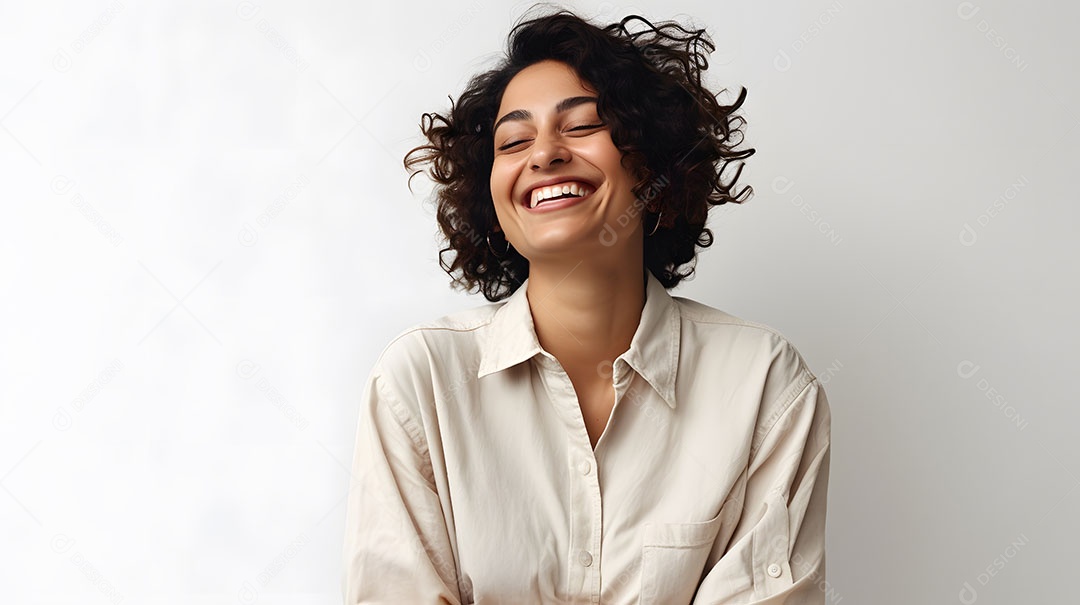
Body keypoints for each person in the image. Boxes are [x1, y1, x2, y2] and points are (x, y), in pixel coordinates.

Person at [343, 7, 832, 604]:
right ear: (492, 197)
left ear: (649, 163)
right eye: (514, 141)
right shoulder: (420, 383)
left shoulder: (765, 386)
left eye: (580, 127)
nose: (544, 155)